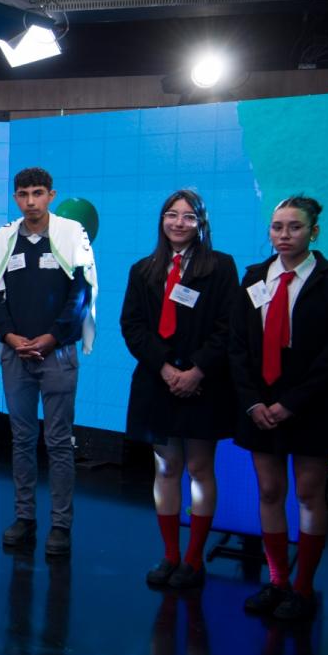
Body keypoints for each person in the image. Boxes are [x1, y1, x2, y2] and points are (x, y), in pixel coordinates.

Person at [230, 196, 328, 621]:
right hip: (259, 406)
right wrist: (253, 402)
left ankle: (303, 589)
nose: (284, 235)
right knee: (268, 492)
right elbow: (237, 347)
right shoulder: (252, 278)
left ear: (313, 232)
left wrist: (289, 404)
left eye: (294, 227)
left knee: (307, 493)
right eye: (277, 227)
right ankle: (278, 580)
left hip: (313, 406)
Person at [120, 189, 238, 588]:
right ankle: (170, 555)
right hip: (158, 382)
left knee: (199, 469)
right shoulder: (143, 270)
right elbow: (132, 326)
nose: (178, 223)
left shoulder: (221, 267)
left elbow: (228, 326)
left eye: (188, 217)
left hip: (204, 384)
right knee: (166, 467)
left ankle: (194, 558)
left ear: (201, 224)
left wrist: (196, 371)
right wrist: (167, 369)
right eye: (171, 215)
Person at [0, 167, 96, 557]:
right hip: (16, 355)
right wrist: (12, 337)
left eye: (37, 193)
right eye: (22, 194)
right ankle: (25, 517)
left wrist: (50, 338)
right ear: (15, 197)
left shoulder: (71, 235)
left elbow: (80, 295)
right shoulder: (4, 238)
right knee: (21, 439)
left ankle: (61, 524)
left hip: (58, 352)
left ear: (51, 194)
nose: (30, 201)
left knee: (59, 442)